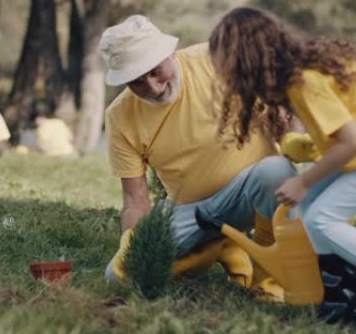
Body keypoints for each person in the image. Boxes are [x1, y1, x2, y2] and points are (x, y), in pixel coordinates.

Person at [206, 7, 356, 333]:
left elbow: (351, 142)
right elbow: (346, 130)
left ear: (246, 60)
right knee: (308, 212)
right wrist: (306, 158)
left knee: (321, 217)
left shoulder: (304, 80)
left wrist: (303, 182)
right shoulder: (305, 72)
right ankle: (342, 308)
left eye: (228, 67)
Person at [101, 15, 297, 301]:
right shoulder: (119, 116)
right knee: (119, 277)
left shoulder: (217, 61)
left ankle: (269, 284)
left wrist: (297, 137)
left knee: (278, 171)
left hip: (251, 193)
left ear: (169, 53)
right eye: (137, 82)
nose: (153, 88)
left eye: (155, 72)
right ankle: (218, 247)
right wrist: (133, 246)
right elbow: (135, 200)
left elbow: (285, 104)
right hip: (192, 211)